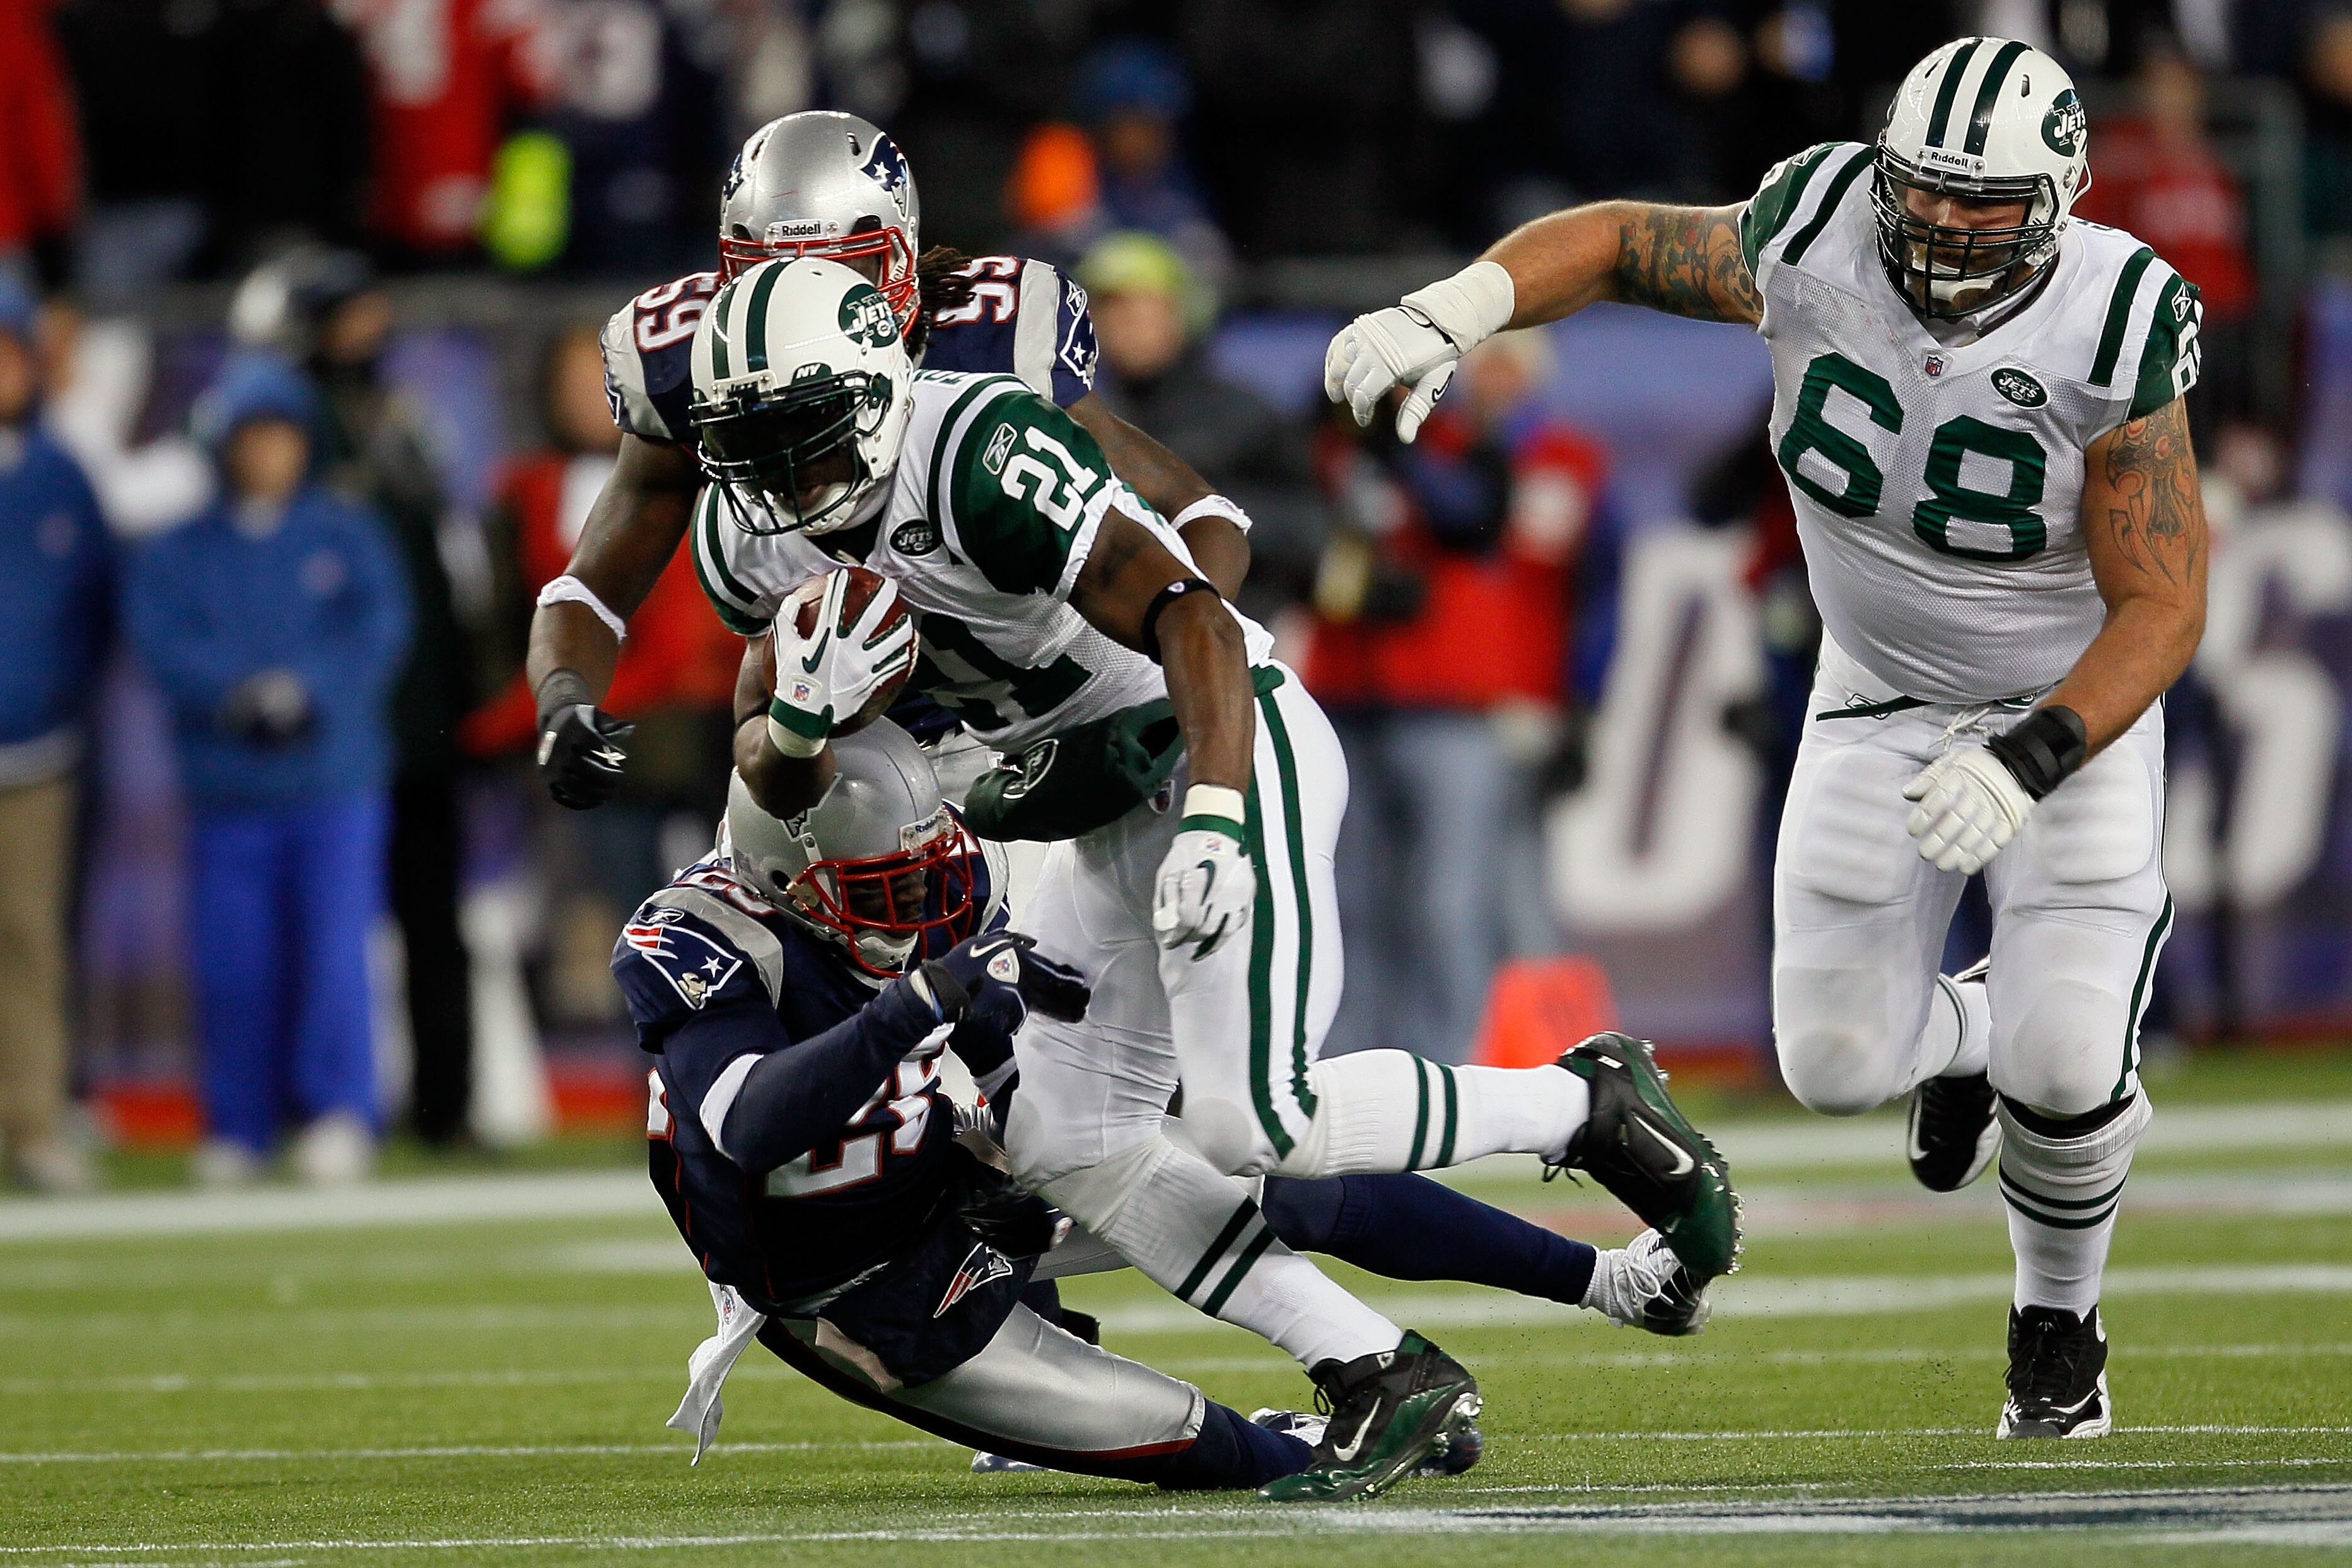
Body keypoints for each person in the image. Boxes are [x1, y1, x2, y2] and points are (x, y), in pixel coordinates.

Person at [685, 255, 1741, 1498]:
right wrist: (796, 729)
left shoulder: (975, 454)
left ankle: (1579, 1103)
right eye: (742, 446)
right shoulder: (743, 537)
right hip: (1084, 803)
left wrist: (1218, 813)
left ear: (869, 396)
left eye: (796, 438)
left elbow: (1189, 609)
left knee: (1259, 1121)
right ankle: (1371, 1367)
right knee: (1068, 1136)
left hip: (1215, 737)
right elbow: (769, 761)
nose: (774, 480)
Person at [1329, 37, 2206, 1439]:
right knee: (1836, 1063)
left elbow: (2161, 602)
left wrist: (2028, 757)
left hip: (2065, 713)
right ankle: (1964, 1034)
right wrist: (1454, 310)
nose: (1940, 223)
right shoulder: (1815, 227)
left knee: (2069, 1059)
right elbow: (1619, 240)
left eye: (1982, 201)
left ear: (2059, 193)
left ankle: (2055, 1323)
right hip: (1873, 687)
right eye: (1924, 190)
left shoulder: (2111, 321)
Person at [636, 724, 1710, 1494]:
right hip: (859, 1294)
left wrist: (1018, 1069)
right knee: (1210, 1453)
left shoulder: (922, 888)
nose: (917, 910)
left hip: (964, 1189)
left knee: (1264, 1161)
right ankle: (1335, 1425)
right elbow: (748, 1121)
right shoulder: (715, 942)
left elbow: (1002, 1073)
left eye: (927, 879)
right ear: (789, 874)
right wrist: (921, 1001)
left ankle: (1608, 1279)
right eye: (885, 892)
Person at [528, 110, 1243, 816]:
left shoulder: (989, 339)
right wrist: (563, 696)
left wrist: (1179, 670)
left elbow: (1193, 518)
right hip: (851, 743)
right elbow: (590, 588)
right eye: (766, 270)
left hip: (1038, 716)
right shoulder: (696, 364)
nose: (800, 299)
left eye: (838, 267)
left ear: (897, 258)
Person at [123, 354, 413, 1185]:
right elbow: (161, 635)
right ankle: (238, 1120)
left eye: (279, 435)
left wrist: (307, 691)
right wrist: (236, 695)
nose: (264, 454)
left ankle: (339, 1110)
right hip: (227, 789)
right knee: (232, 963)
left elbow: (380, 626)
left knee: (334, 955)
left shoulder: (344, 532)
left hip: (332, 782)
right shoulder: (185, 547)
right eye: (248, 437)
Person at [1305, 331, 1614, 1064]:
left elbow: (1577, 577)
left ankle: (1445, 1069)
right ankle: (1349, 1065)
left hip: (1467, 699)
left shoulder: (1505, 453)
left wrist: (1581, 700)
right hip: (1354, 690)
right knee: (1350, 898)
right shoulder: (1349, 443)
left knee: (1456, 900)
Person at [231, 248, 480, 1146]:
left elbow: (452, 568)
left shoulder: (402, 424)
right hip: (325, 725)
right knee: (317, 926)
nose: (367, 334)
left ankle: (446, 1106)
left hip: (417, 714)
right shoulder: (275, 434)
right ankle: (307, 1105)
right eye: (346, 318)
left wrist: (470, 698)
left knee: (429, 919)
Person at [0, 277, 110, 1192]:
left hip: (35, 748)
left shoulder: (58, 476)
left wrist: (58, 701)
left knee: (28, 939)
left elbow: (93, 612)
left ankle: (33, 1118)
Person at [1080, 231, 1324, 625]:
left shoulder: (1243, 411)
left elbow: (1311, 525)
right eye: (1109, 308)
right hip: (1118, 622)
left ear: (1180, 311)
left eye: (1140, 307)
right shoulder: (1080, 414)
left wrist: (1194, 507)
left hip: (1248, 614)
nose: (1125, 324)